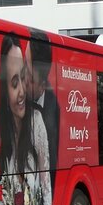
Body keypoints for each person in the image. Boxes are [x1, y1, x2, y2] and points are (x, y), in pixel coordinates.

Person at [0, 35, 58, 205]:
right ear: (4, 89)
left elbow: (46, 183)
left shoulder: (37, 121)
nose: (22, 91)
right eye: (13, 83)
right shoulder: (3, 131)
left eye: (23, 78)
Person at [27, 29, 59, 196]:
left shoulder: (53, 108)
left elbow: (50, 169)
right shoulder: (21, 106)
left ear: (41, 81)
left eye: (29, 73)